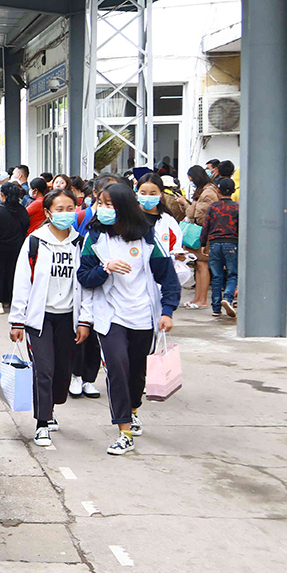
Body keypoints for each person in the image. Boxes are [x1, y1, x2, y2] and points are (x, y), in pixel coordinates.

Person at [76, 182, 180, 455]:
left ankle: (134, 409)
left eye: (110, 204)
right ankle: (123, 431)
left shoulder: (147, 238)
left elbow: (167, 277)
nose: (103, 209)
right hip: (110, 316)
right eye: (101, 203)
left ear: (123, 207)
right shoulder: (95, 238)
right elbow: (84, 278)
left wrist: (167, 311)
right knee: (117, 368)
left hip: (143, 316)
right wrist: (104, 268)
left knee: (136, 373)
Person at [9, 189, 85, 447]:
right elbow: (22, 282)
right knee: (44, 369)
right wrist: (17, 320)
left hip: (68, 318)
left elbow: (85, 287)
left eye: (70, 208)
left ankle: (51, 408)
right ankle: (42, 423)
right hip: (39, 319)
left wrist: (85, 320)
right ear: (48, 213)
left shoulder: (80, 243)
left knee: (63, 372)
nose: (65, 214)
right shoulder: (35, 242)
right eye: (59, 209)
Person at [0, 181, 31, 314]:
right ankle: (12, 300)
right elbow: (25, 228)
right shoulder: (23, 211)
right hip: (16, 247)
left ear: (2, 194)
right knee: (13, 274)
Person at [205, 176, 239, 317]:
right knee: (232, 274)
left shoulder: (213, 207)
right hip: (231, 243)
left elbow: (206, 226)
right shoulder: (237, 207)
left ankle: (216, 307)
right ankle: (228, 298)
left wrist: (203, 243)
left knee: (217, 276)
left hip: (214, 244)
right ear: (233, 190)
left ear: (218, 191)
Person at [185, 165, 218, 310]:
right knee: (198, 265)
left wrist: (189, 208)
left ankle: (202, 299)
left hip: (205, 234)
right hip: (203, 232)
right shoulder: (205, 191)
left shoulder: (208, 192)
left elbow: (201, 215)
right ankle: (197, 298)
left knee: (202, 265)